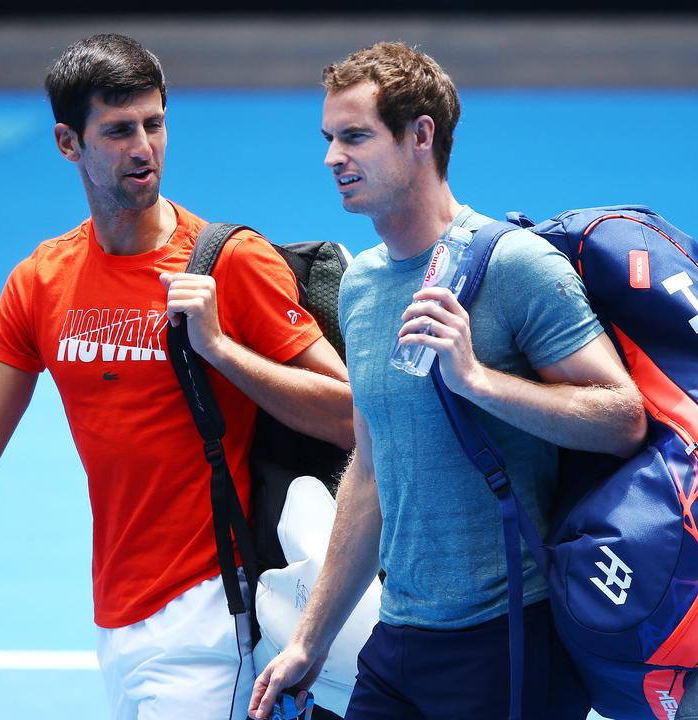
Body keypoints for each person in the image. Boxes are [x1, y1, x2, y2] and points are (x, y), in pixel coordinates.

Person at [0, 33, 353, 720]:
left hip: (214, 608)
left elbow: (350, 413)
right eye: (119, 130)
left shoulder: (227, 263)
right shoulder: (41, 282)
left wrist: (220, 349)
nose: (144, 147)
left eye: (154, 125)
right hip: (117, 616)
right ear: (69, 143)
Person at [250, 42, 648, 719]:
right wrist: (310, 640)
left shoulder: (516, 267)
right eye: (328, 139)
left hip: (510, 640)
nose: (331, 158)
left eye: (354, 137)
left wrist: (478, 381)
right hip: (400, 639)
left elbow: (622, 419)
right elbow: (371, 473)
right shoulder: (362, 287)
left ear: (420, 137)